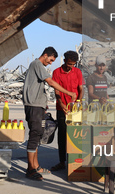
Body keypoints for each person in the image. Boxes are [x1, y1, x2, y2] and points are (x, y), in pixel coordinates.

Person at [23, 47, 77, 181]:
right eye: (51, 60)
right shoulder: (37, 64)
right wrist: (69, 93)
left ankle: (36, 166)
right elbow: (51, 82)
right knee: (34, 135)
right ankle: (30, 169)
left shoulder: (37, 66)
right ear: (46, 55)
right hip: (34, 106)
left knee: (38, 136)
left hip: (38, 106)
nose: (51, 63)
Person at [50, 51, 84, 172]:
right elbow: (57, 91)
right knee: (62, 135)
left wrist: (79, 103)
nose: (71, 67)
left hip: (76, 109)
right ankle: (62, 162)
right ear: (64, 61)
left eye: (73, 64)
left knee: (75, 135)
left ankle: (74, 161)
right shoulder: (56, 72)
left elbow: (81, 88)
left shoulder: (78, 72)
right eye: (69, 64)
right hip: (62, 109)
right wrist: (61, 104)